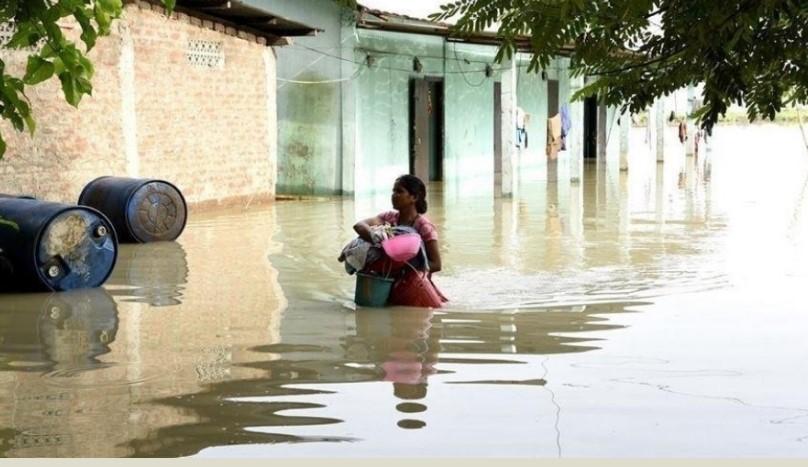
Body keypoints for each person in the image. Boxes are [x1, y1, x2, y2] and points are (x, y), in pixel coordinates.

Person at [353, 175, 447, 307]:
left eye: (399, 191)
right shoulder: (388, 218)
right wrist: (376, 239)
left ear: (413, 197)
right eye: (393, 191)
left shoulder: (424, 227)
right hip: (386, 284)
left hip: (414, 287)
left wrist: (404, 263)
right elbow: (359, 225)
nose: (394, 195)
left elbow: (436, 264)